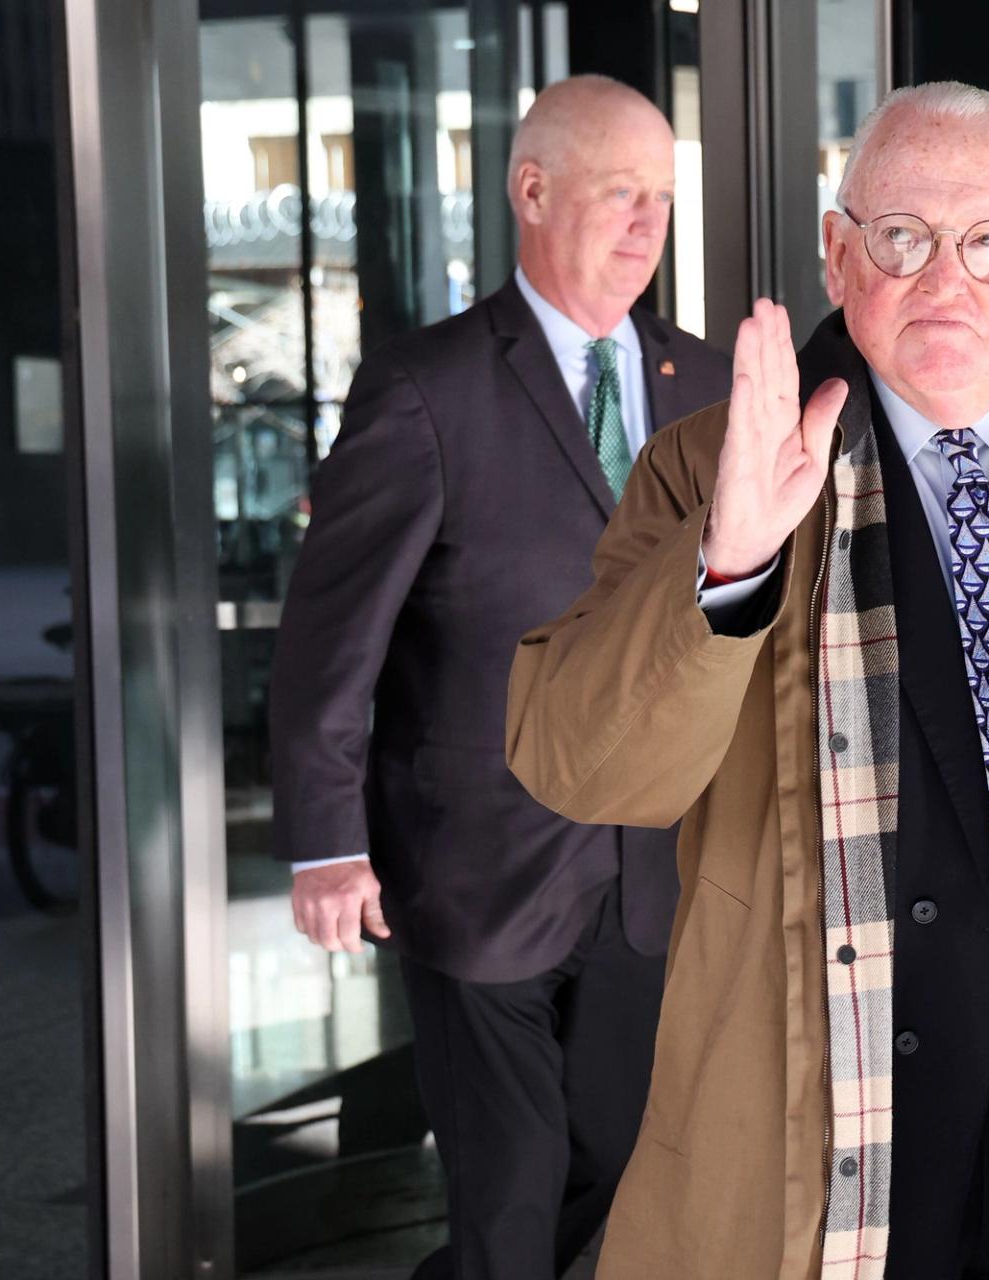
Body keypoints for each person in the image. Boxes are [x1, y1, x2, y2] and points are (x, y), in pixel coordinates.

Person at [505, 82, 989, 1279]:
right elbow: (585, 763)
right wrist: (731, 563)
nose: (947, 278)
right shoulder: (707, 467)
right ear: (839, 254)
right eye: (902, 238)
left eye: (987, 241)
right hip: (838, 1111)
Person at [268, 76, 730, 1280]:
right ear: (530, 190)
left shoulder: (716, 386)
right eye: (620, 192)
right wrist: (326, 838)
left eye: (663, 199)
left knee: (625, 1183)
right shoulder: (427, 387)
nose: (648, 226)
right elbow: (333, 635)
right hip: (476, 867)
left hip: (656, 870)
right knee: (509, 1196)